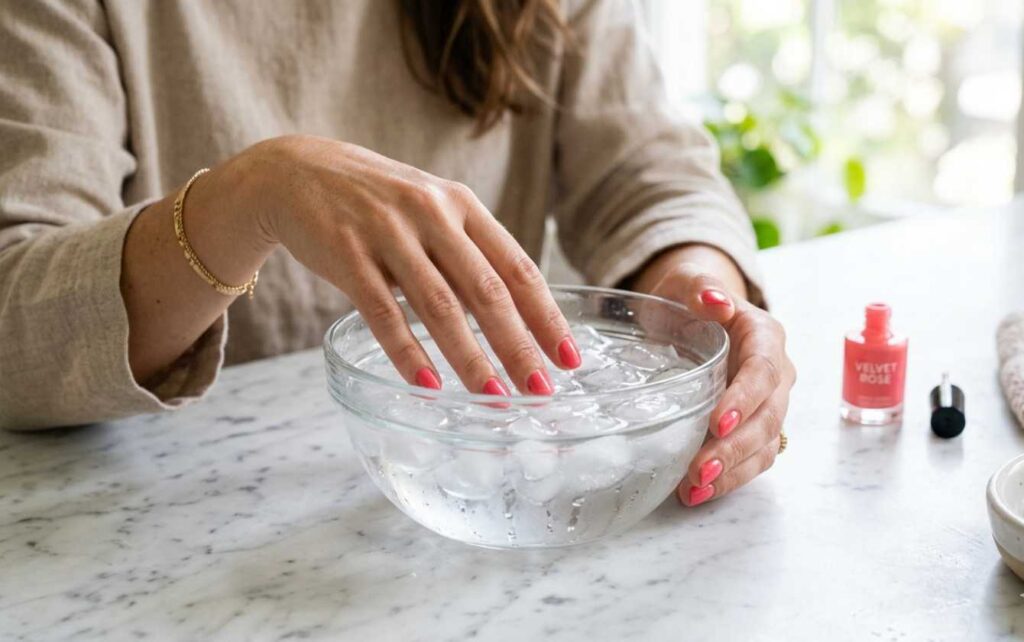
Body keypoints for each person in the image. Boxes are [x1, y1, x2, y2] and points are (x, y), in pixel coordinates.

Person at [0, 0, 795, 507]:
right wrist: (249, 198)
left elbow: (647, 172)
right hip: (167, 511)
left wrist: (700, 286)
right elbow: (14, 325)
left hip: (490, 485)